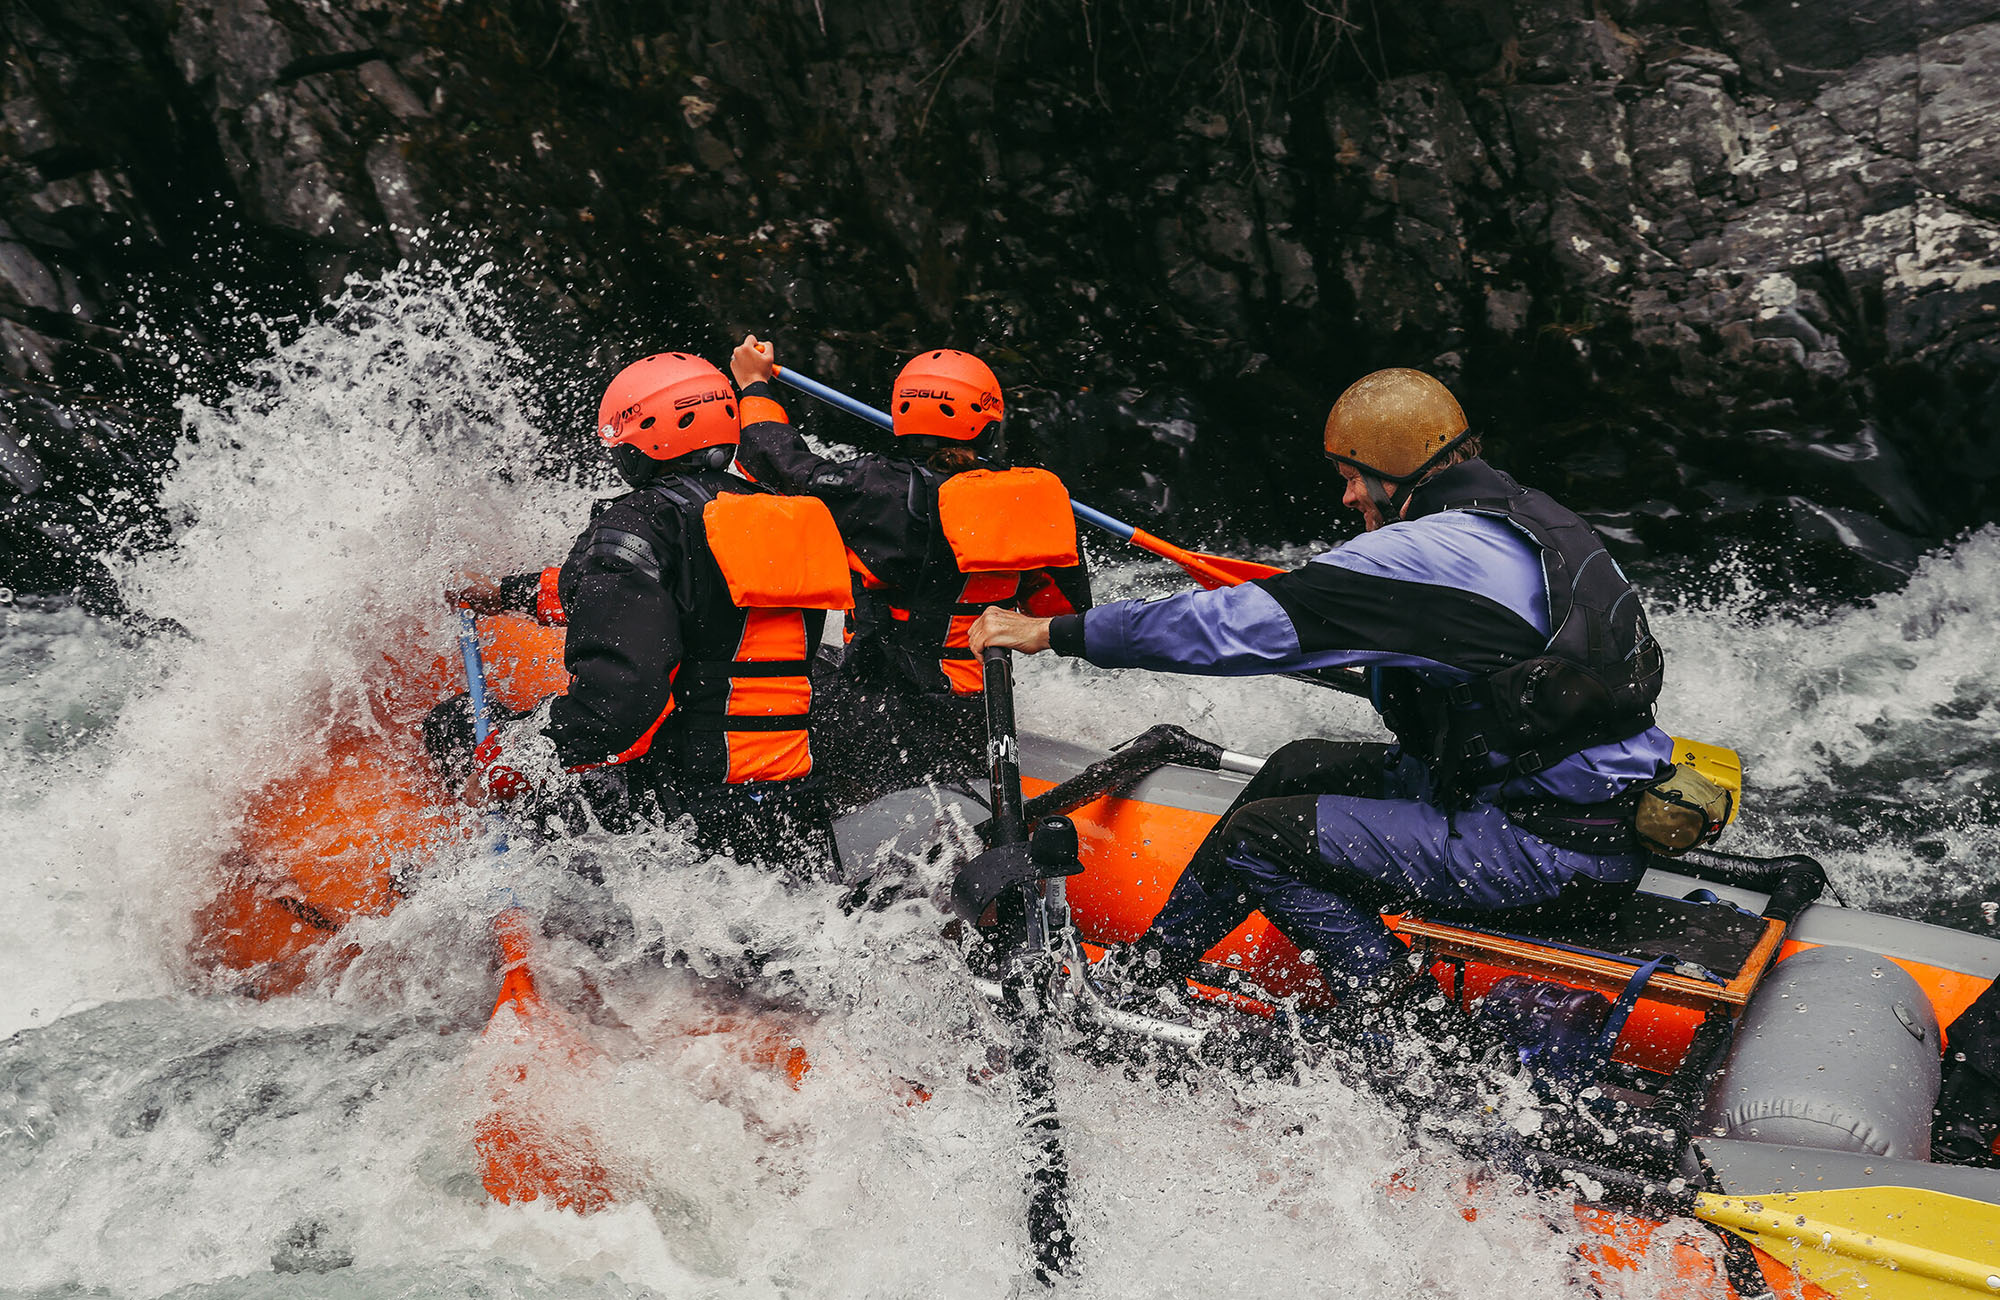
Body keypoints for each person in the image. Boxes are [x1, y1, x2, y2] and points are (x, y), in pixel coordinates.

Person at [969, 367, 1671, 1044]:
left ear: (1395, 468)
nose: (1349, 497)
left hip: (1547, 850)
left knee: (1259, 837)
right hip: (1580, 814)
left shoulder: (1420, 555)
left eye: (1352, 477)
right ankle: (1143, 979)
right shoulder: (1532, 516)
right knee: (1298, 763)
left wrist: (1053, 633)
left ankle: (1405, 1026)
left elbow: (1229, 627)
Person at [432, 351, 854, 873]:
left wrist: (514, 763)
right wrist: (503, 595)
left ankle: (451, 876)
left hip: (688, 811)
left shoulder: (642, 521)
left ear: (648, 440)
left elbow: (618, 707)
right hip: (792, 806)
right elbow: (640, 590)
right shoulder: (790, 515)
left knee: (454, 725)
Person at [727, 335, 1092, 810]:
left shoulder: (872, 489)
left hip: (873, 715)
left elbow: (776, 463)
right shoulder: (1034, 501)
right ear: (989, 427)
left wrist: (754, 385)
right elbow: (1063, 614)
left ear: (901, 418)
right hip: (974, 717)